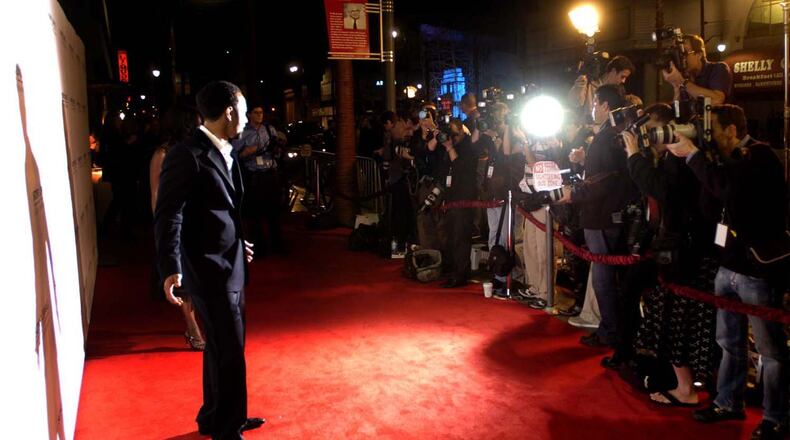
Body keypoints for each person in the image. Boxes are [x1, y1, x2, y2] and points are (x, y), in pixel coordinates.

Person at [665, 104, 788, 440]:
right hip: (728, 263)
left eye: (715, 130)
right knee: (728, 342)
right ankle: (727, 402)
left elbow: (729, 190)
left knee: (770, 350)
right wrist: (700, 161)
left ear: (732, 130)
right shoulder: (727, 161)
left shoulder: (759, 157)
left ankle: (777, 417)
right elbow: (711, 204)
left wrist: (694, 156)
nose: (711, 137)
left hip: (755, 267)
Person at [155, 81, 264, 440]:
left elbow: (222, 212)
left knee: (221, 347)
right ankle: (227, 428)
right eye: (244, 111)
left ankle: (216, 415)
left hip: (230, 265)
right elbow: (169, 213)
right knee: (229, 351)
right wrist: (171, 266)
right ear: (229, 112)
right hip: (207, 270)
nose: (248, 119)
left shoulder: (225, 150)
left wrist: (237, 245)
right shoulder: (186, 155)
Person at [621, 103, 718, 397]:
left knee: (677, 317)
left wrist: (634, 156)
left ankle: (685, 388)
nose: (652, 136)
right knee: (676, 315)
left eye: (654, 130)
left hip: (683, 248)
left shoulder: (682, 159)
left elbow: (661, 190)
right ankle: (680, 380)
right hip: (685, 244)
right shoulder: (682, 158)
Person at [560, 84, 639, 349]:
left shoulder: (608, 136)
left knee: (604, 279)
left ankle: (611, 332)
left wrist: (575, 194)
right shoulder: (613, 133)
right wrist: (584, 162)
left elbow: (604, 181)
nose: (592, 108)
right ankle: (614, 330)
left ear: (605, 105)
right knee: (607, 278)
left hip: (602, 215)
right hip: (609, 214)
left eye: (594, 103)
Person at [150, 104, 206, 351]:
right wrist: (165, 230)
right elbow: (156, 197)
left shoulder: (197, 151)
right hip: (176, 226)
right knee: (182, 280)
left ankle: (195, 322)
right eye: (197, 120)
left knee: (198, 278)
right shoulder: (161, 155)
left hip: (198, 224)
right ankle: (192, 327)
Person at [431, 119, 479, 288]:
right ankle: (451, 271)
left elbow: (460, 169)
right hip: (451, 198)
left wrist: (450, 148)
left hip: (463, 198)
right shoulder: (452, 146)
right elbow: (444, 168)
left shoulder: (469, 147)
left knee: (460, 237)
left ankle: (460, 275)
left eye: (454, 133)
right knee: (449, 235)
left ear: (461, 131)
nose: (452, 137)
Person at [232, 105, 285, 256]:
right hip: (254, 175)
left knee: (273, 212)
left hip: (270, 173)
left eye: (261, 112)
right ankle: (259, 248)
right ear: (249, 115)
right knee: (255, 214)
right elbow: (235, 154)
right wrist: (248, 152)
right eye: (256, 113)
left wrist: (277, 149)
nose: (259, 115)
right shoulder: (242, 132)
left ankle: (277, 245)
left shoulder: (269, 130)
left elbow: (278, 152)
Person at [662, 34, 733, 105]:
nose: (680, 58)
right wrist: (676, 86)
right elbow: (677, 112)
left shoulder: (718, 68)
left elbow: (717, 100)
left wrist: (682, 82)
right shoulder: (685, 76)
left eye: (684, 54)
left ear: (699, 55)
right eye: (677, 55)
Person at [568, 55, 635, 119]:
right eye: (622, 77)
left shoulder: (618, 93)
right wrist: (580, 85)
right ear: (613, 71)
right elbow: (574, 103)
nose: (623, 81)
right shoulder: (589, 85)